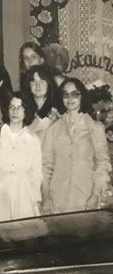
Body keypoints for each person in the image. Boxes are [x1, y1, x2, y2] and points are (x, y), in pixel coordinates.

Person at [43, 78, 112, 213]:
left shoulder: (95, 128)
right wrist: (46, 197)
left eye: (74, 94)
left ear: (82, 96)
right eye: (65, 94)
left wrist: (95, 195)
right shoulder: (52, 130)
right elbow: (45, 167)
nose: (70, 99)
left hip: (86, 200)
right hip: (57, 201)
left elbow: (103, 165)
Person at [0, 92, 42, 222]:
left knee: (24, 236)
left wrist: (35, 200)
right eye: (12, 107)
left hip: (24, 197)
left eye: (20, 107)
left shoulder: (32, 139)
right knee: (3, 235)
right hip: (1, 196)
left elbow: (36, 173)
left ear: (26, 111)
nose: (15, 111)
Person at [24, 65, 60, 143]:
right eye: (33, 81)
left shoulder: (55, 113)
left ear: (49, 84)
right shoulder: (24, 109)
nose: (37, 85)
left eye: (42, 82)